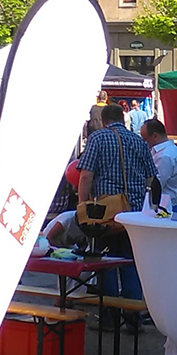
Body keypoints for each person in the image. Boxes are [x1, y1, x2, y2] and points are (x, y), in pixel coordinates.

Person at [76, 102, 156, 300]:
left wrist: (82, 204)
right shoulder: (139, 141)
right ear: (123, 119)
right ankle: (132, 317)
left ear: (104, 122)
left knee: (106, 262)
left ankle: (110, 317)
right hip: (135, 213)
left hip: (106, 213)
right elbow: (151, 179)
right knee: (131, 262)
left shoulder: (97, 138)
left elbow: (86, 175)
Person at [140, 117, 177, 205]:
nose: (144, 142)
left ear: (155, 136)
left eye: (145, 139)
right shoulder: (170, 150)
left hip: (163, 205)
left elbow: (155, 184)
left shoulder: (165, 156)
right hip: (164, 203)